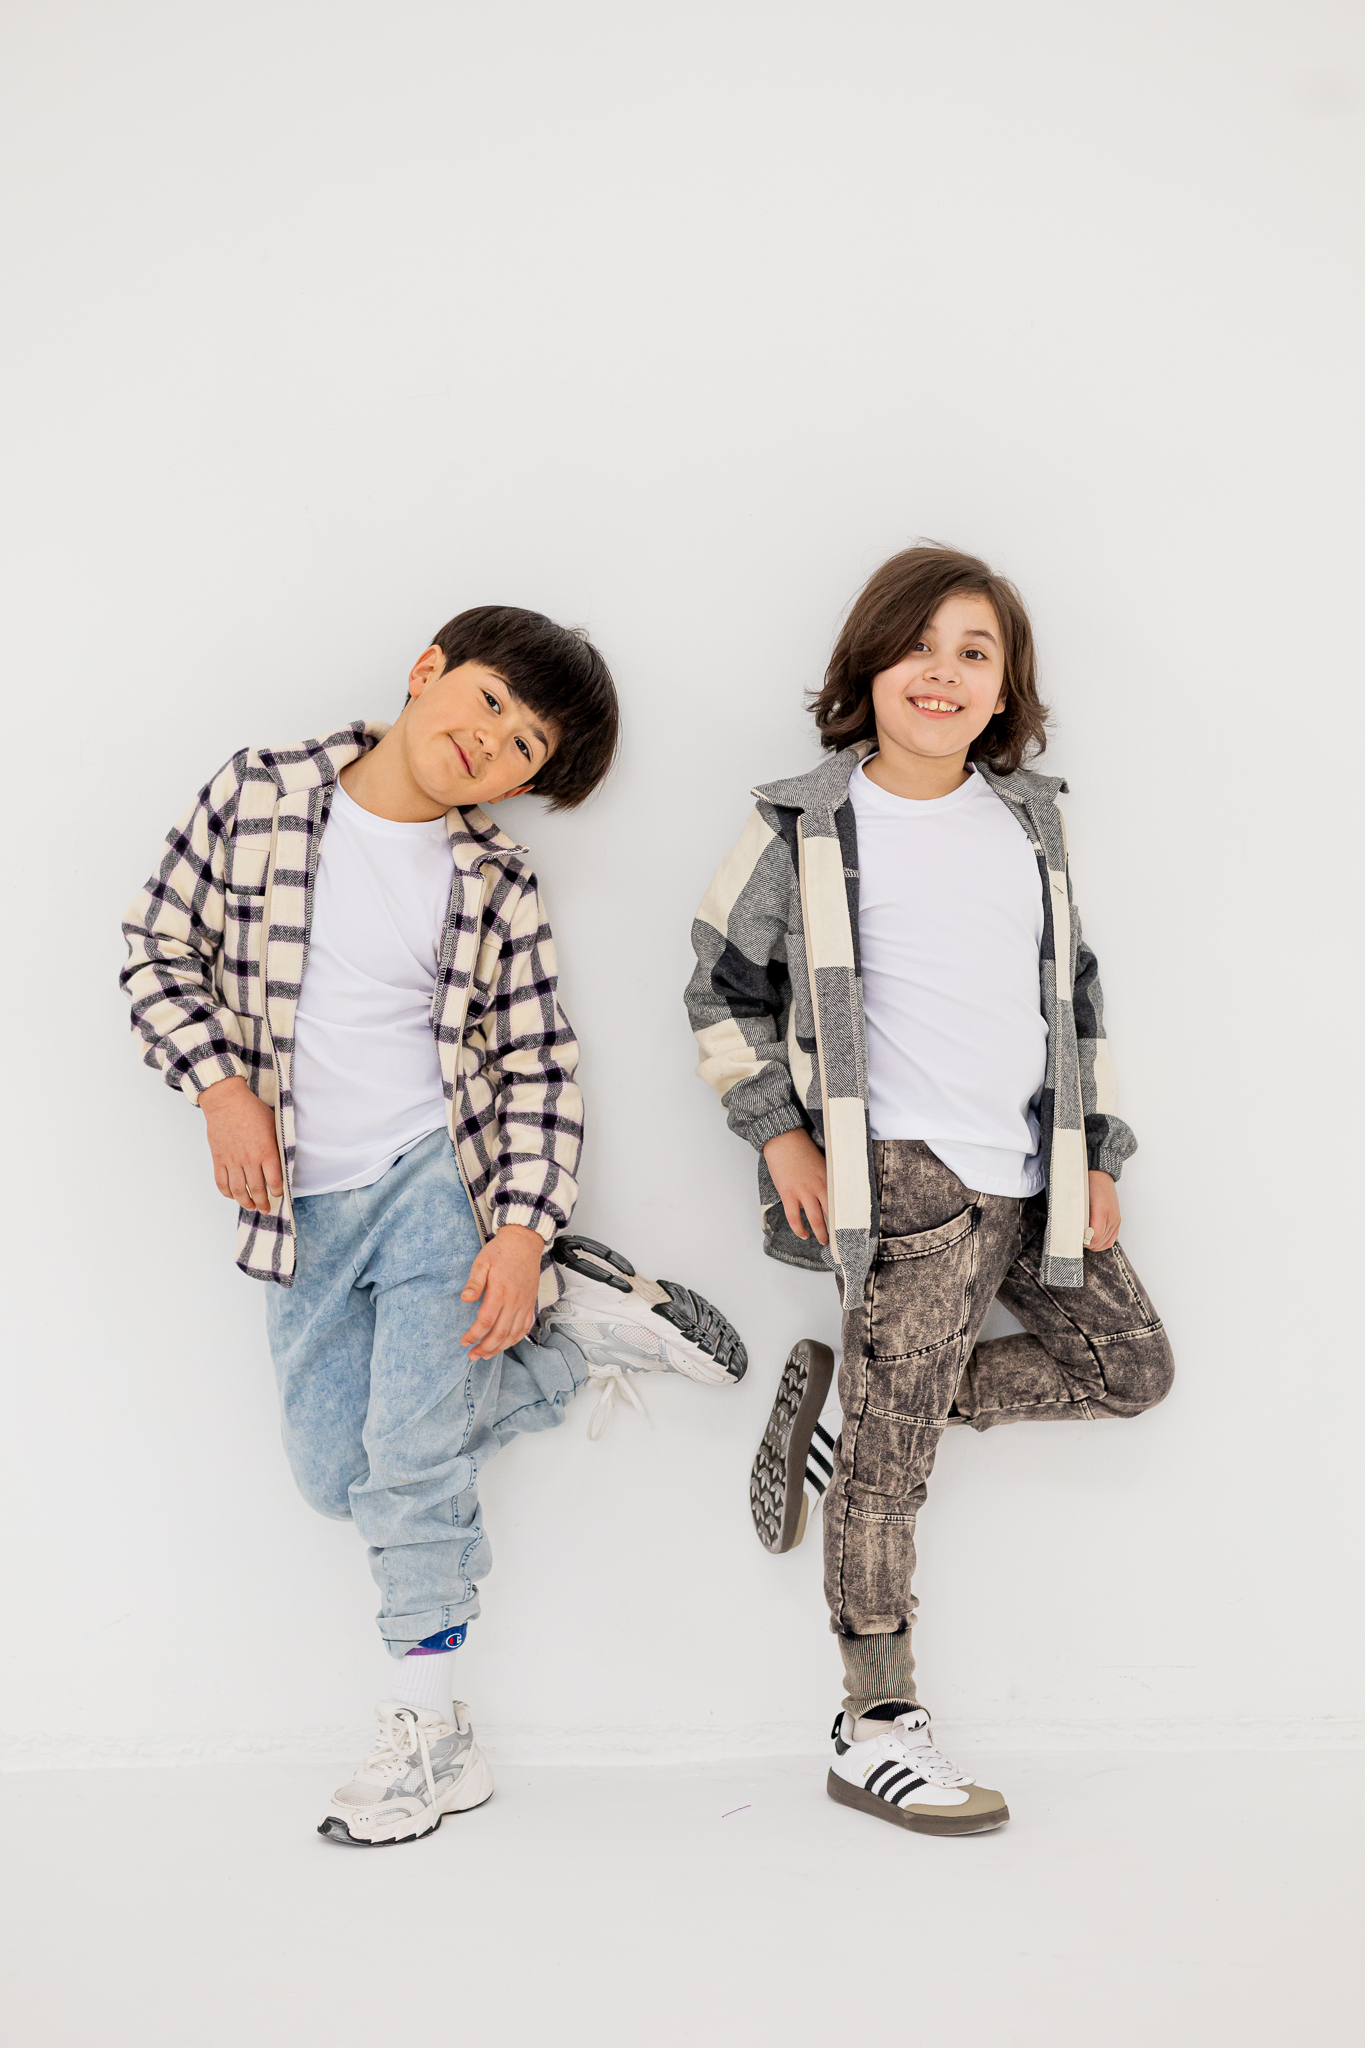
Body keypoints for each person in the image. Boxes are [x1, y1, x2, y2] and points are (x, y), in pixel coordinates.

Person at [122, 605, 746, 1847]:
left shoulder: (495, 881)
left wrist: (519, 1232)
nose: (494, 740)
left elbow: (538, 1064)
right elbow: (156, 946)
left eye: (526, 746)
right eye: (491, 701)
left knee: (408, 1466)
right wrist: (221, 1088)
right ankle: (574, 1347)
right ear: (427, 672)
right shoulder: (260, 790)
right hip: (299, 1206)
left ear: (524, 786)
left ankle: (432, 1732)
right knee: (334, 1476)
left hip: (435, 1185)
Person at [685, 546, 1173, 1836]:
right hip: (905, 1174)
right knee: (892, 1476)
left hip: (1032, 1169)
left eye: (974, 650)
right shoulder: (804, 821)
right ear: (868, 665)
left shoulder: (1028, 818)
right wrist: (779, 1137)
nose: (941, 672)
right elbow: (720, 984)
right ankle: (875, 1724)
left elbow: (1075, 991)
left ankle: (861, 1411)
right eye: (917, 645)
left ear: (1006, 687)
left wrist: (1098, 1153)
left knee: (1130, 1367)